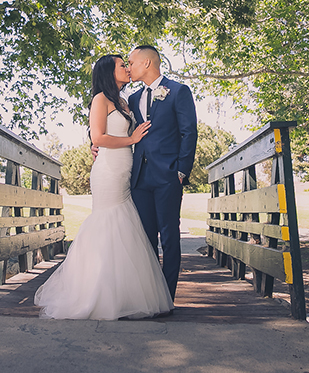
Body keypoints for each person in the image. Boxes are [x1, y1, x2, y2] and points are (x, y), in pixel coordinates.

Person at [34, 55, 174, 320]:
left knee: (124, 224)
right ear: (109, 71)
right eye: (122, 65)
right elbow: (97, 135)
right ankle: (95, 293)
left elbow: (103, 134)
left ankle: (122, 295)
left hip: (126, 170)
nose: (127, 68)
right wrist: (128, 138)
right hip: (108, 170)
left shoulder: (124, 101)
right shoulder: (101, 99)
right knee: (107, 221)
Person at [126, 45, 198, 302]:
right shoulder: (132, 99)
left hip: (168, 175)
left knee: (169, 236)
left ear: (147, 63)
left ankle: (166, 297)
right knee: (145, 239)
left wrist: (181, 170)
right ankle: (149, 296)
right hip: (139, 178)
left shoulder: (178, 91)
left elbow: (189, 132)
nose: (128, 67)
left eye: (131, 62)